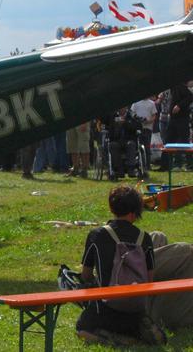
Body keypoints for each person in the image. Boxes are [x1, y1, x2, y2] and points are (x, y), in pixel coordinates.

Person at [76, 185, 164, 345]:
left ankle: (110, 340)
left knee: (81, 328)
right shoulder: (144, 238)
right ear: (135, 211)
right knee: (134, 321)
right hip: (136, 309)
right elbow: (150, 280)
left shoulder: (97, 235)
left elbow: (86, 275)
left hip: (106, 308)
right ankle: (138, 331)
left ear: (112, 207)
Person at [130, 96, 157, 172]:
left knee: (147, 147)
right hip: (137, 129)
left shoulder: (151, 103)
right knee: (137, 147)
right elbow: (132, 113)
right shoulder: (136, 103)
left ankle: (147, 165)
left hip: (147, 128)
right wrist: (137, 119)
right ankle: (137, 164)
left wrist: (148, 120)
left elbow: (154, 115)